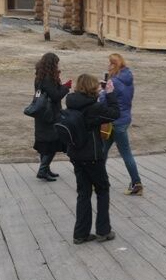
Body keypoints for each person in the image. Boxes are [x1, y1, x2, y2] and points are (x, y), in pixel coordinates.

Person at [66, 74, 120, 244]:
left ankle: (80, 233)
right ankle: (103, 230)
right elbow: (115, 113)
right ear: (92, 88)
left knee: (83, 193)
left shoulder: (71, 103)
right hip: (92, 155)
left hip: (76, 155)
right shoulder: (93, 107)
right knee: (102, 190)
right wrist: (110, 93)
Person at [102, 53, 143, 196]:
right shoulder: (128, 79)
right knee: (104, 150)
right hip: (124, 118)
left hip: (113, 121)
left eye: (109, 63)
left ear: (114, 65)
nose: (108, 66)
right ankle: (101, 180)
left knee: (120, 153)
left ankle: (136, 182)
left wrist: (103, 90)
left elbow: (103, 100)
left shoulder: (113, 82)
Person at [33, 52, 70, 181]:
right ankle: (43, 170)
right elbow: (55, 96)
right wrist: (66, 87)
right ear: (52, 64)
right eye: (56, 63)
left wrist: (58, 82)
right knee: (52, 143)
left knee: (44, 143)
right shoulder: (47, 79)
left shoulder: (40, 76)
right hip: (50, 115)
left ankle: (46, 168)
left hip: (41, 113)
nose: (57, 66)